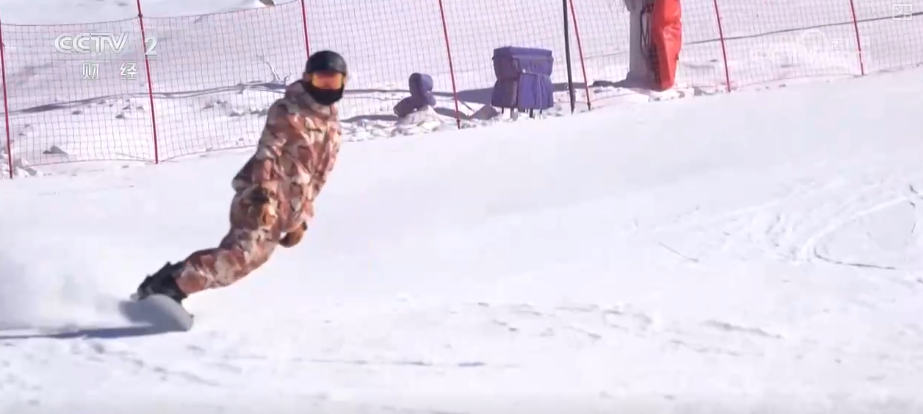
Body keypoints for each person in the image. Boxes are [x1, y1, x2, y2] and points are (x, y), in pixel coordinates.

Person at [133, 50, 348, 305]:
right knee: (238, 256)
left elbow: (316, 180)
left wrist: (300, 220)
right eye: (320, 80)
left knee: (242, 264)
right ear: (307, 78)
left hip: (287, 210)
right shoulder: (289, 111)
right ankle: (169, 288)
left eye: (332, 82)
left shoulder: (333, 131)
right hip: (260, 199)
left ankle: (169, 282)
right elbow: (267, 152)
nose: (326, 87)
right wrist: (262, 195)